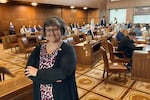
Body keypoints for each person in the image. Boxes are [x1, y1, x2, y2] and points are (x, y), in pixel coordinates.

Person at [25, 16, 78, 100]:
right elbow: (28, 72)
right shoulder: (38, 49)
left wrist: (37, 73)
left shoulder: (68, 49)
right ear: (45, 32)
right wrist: (53, 79)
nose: (52, 33)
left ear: (62, 30)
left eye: (56, 29)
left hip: (63, 95)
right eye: (48, 30)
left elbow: (62, 73)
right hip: (40, 95)